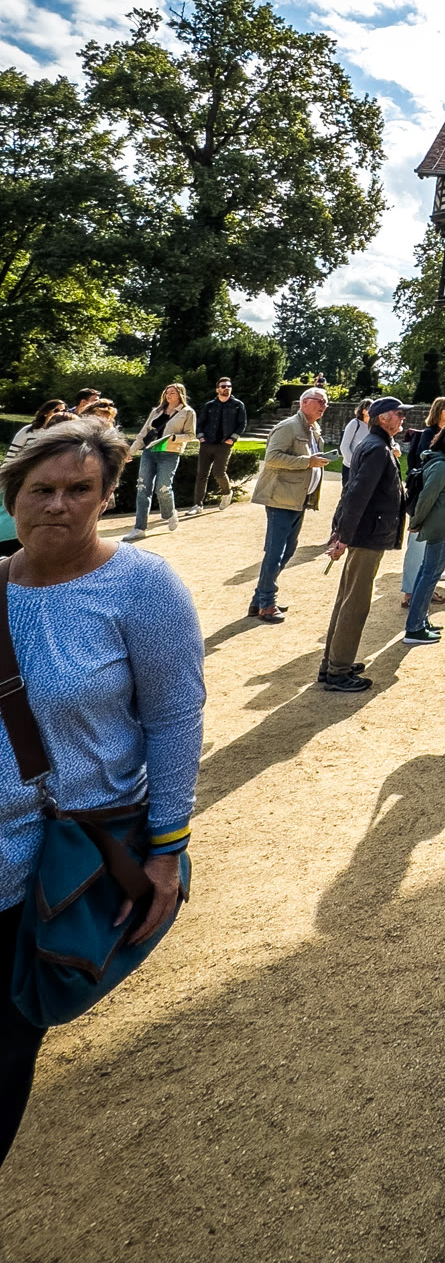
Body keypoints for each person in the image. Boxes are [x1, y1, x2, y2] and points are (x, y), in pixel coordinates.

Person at [0, 417, 204, 1163]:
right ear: (12, 497)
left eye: (78, 489)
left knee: (6, 1046)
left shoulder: (142, 587)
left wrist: (166, 849)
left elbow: (175, 718)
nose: (57, 504)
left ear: (108, 495)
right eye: (40, 489)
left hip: (53, 867)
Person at [320, 398, 406, 693]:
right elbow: (356, 493)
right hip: (368, 535)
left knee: (348, 598)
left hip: (366, 532)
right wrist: (342, 535)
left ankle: (332, 663)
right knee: (355, 603)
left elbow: (353, 491)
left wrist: (341, 531)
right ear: (383, 418)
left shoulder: (376, 444)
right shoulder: (377, 448)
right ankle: (338, 670)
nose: (403, 417)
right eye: (398, 413)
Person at [249, 387, 328, 622]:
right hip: (281, 498)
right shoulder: (288, 427)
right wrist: (308, 462)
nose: (323, 406)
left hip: (297, 499)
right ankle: (266, 603)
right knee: (276, 552)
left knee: (288, 550)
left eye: (325, 402)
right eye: (319, 401)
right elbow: (272, 458)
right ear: (304, 403)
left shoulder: (313, 429)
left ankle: (259, 600)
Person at [405, 422, 445, 645]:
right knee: (429, 575)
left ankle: (420, 621)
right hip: (441, 527)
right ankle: (414, 628)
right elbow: (427, 497)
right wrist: (416, 522)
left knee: (427, 573)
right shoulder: (441, 465)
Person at [399, 396, 445, 609]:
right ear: (439, 411)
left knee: (431, 550)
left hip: (441, 499)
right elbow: (426, 465)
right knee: (417, 547)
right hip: (425, 497)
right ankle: (409, 592)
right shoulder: (429, 434)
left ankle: (425, 589)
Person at [123, 383, 197, 541]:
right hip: (149, 451)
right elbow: (143, 432)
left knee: (163, 488)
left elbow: (191, 435)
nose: (169, 395)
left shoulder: (187, 412)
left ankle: (170, 512)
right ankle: (139, 527)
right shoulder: (156, 411)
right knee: (142, 488)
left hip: (170, 453)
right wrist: (131, 451)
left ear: (180, 395)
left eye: (173, 393)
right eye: (167, 392)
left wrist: (174, 438)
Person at [188, 376, 247, 514]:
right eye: (223, 386)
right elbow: (200, 423)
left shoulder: (238, 405)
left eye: (229, 386)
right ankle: (197, 505)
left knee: (219, 472)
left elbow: (242, 424)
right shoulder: (209, 405)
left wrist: (232, 439)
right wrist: (201, 437)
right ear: (217, 390)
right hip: (207, 443)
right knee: (201, 474)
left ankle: (227, 492)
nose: (226, 388)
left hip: (224, 444)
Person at [338, 399, 373, 490]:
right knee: (348, 493)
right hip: (350, 468)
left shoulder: (373, 426)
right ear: (364, 411)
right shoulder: (355, 423)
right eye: (371, 408)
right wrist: (355, 465)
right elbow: (344, 447)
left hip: (366, 469)